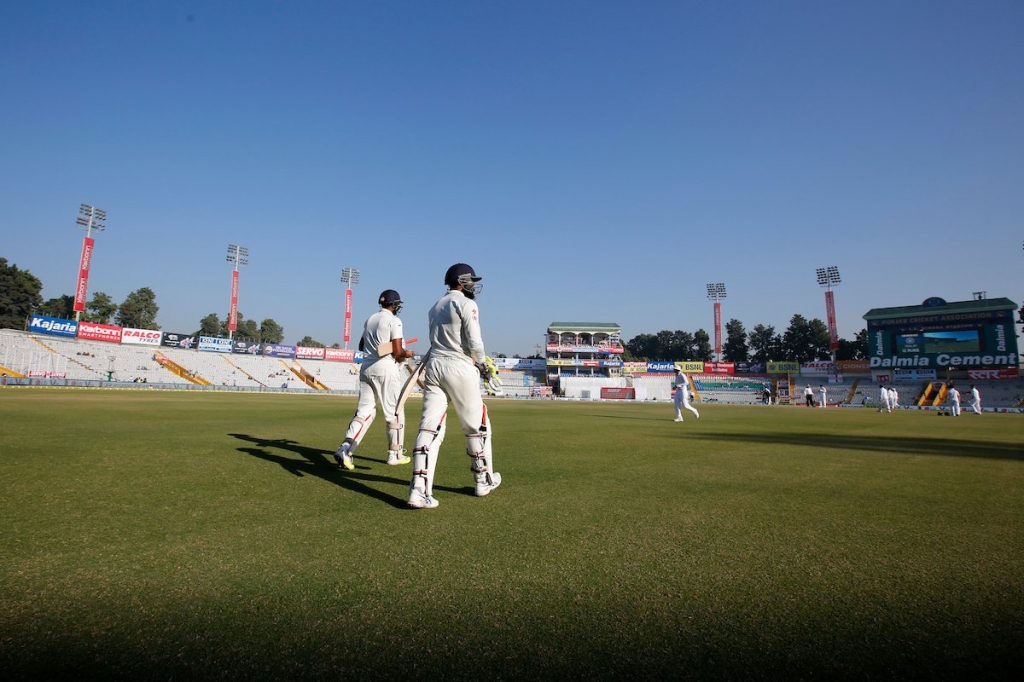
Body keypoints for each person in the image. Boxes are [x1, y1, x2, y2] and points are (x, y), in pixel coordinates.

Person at [408, 263, 503, 509]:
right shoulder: (468, 304)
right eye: (471, 280)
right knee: (476, 425)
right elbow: (474, 341)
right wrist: (483, 365)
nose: (474, 285)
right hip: (459, 366)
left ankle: (418, 490)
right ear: (461, 280)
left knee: (430, 427)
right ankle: (482, 480)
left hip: (435, 366)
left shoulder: (434, 307)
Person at [334, 289, 415, 470]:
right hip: (385, 368)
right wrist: (407, 353)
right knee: (395, 413)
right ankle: (395, 454)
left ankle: (345, 449)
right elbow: (398, 352)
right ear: (394, 305)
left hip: (366, 367)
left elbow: (362, 345)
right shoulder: (395, 321)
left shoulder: (370, 319)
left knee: (364, 413)